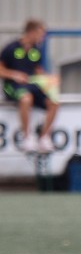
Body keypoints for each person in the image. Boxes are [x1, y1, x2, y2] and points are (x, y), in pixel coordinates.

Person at [0, 19, 59, 154]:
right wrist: (14, 75)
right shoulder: (11, 48)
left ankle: (44, 137)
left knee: (54, 102)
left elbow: (38, 71)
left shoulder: (36, 51)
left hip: (31, 86)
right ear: (31, 32)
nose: (42, 37)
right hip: (13, 86)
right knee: (26, 98)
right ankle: (27, 137)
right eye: (41, 33)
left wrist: (49, 79)